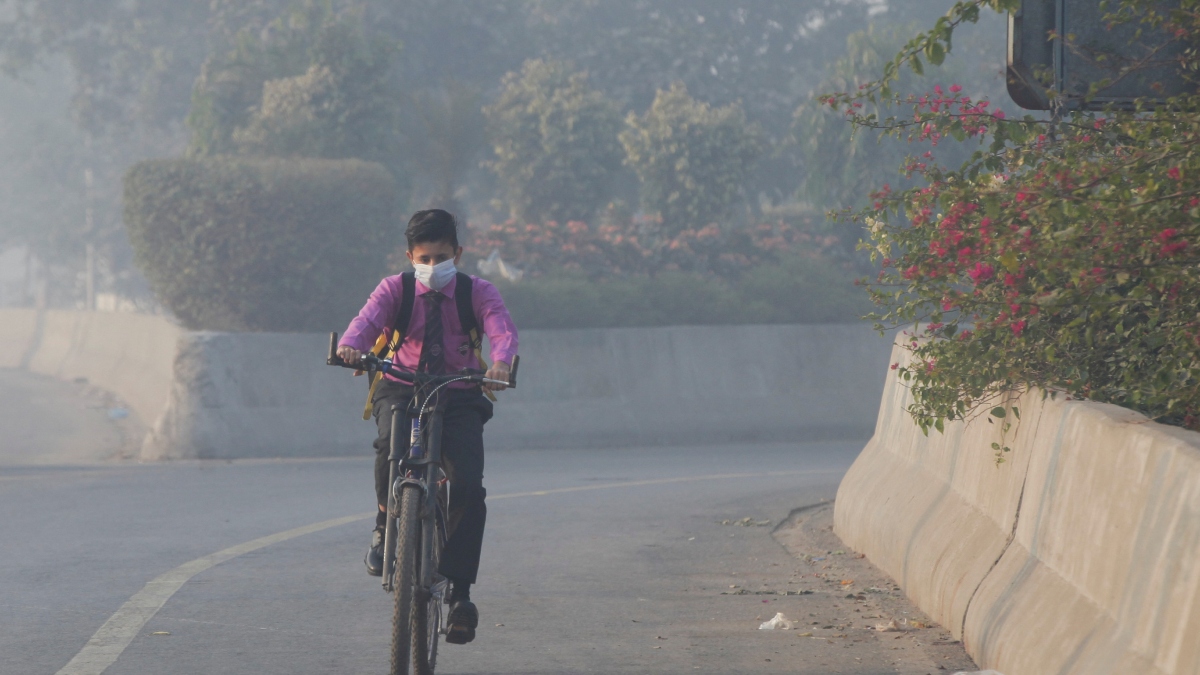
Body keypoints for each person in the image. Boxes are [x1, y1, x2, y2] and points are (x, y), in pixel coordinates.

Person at [336, 209, 518, 645]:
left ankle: (459, 593)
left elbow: (501, 329)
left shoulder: (478, 291)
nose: (434, 266)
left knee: (469, 488)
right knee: (388, 448)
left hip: (459, 393)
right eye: (425, 258)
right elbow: (365, 322)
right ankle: (385, 523)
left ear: (458, 252)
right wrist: (350, 347)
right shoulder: (393, 289)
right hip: (401, 388)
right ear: (410, 256)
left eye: (442, 256)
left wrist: (500, 363)